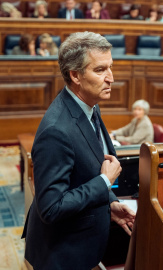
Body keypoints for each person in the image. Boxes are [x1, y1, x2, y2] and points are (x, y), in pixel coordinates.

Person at [22, 31, 135, 270]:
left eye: (111, 67)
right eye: (100, 70)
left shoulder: (88, 105)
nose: (111, 78)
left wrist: (110, 202)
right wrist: (105, 182)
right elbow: (51, 208)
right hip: (61, 254)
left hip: (83, 245)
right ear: (75, 75)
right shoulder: (56, 131)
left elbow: (86, 169)